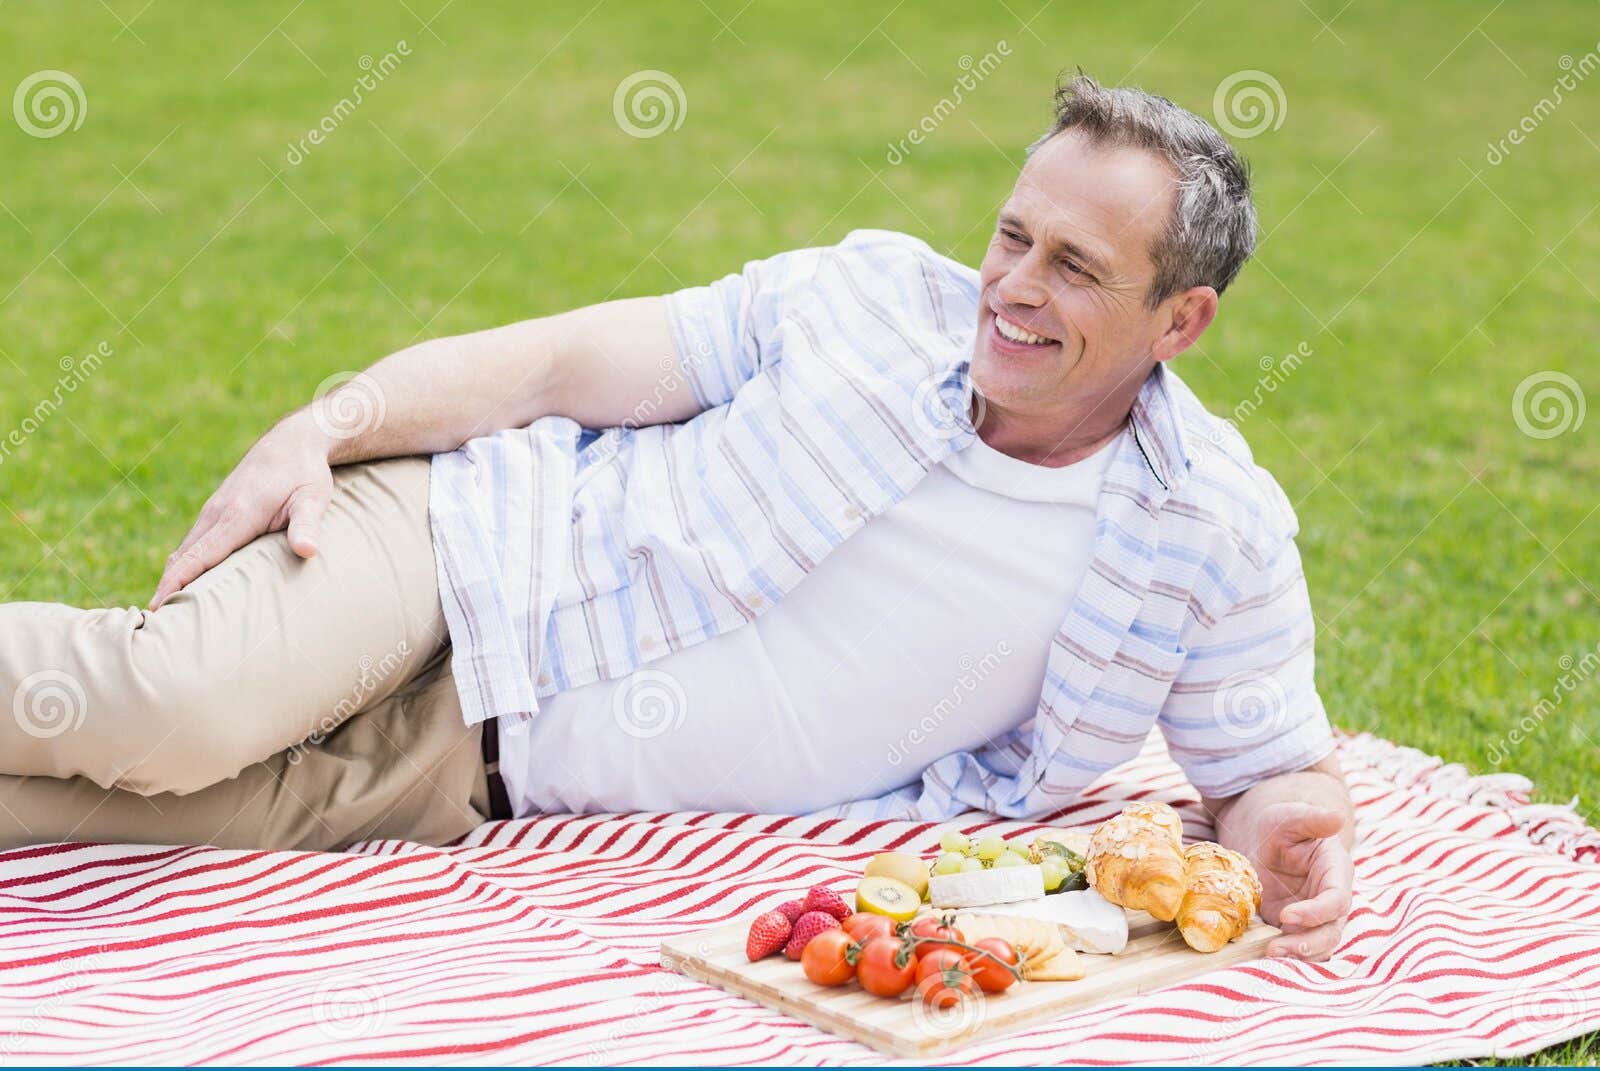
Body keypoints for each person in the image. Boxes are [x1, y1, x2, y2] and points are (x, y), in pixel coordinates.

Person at [0, 75, 1354, 961]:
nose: (1011, 285)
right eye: (1013, 235)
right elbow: (555, 364)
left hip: (489, 777)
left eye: (1075, 268)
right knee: (168, 705)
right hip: (454, 559)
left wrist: (1287, 836)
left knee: (81, 807)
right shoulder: (867, 301)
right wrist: (330, 425)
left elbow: (1269, 769)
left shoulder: (1210, 529)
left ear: (1181, 320)